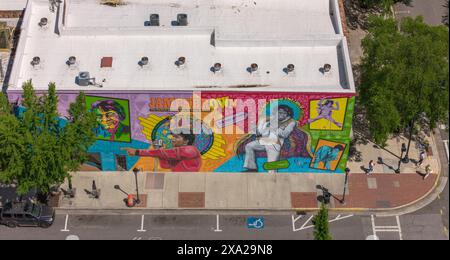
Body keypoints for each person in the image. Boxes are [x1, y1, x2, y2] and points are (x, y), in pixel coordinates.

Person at [242, 105, 297, 173]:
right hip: (264, 140)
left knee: (271, 165)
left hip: (275, 143)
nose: (281, 115)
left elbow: (285, 134)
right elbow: (261, 131)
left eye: (284, 113)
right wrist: (258, 129)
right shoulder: (270, 119)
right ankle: (251, 168)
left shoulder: (291, 122)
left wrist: (275, 128)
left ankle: (272, 176)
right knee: (249, 146)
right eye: (279, 112)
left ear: (288, 114)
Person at [122, 130, 201, 172]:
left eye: (176, 137)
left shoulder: (190, 150)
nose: (172, 139)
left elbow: (164, 154)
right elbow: (165, 165)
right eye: (172, 137)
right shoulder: (179, 154)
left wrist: (137, 152)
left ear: (186, 141)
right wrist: (159, 150)